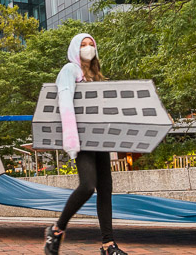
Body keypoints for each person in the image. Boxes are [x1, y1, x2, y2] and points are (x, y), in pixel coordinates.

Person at [44, 34, 127, 255]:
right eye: (83, 45)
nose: (88, 48)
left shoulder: (97, 77)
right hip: (82, 139)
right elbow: (65, 102)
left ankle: (108, 245)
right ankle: (56, 230)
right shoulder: (69, 71)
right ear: (74, 49)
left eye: (91, 44)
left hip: (100, 139)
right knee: (88, 186)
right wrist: (71, 139)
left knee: (105, 190)